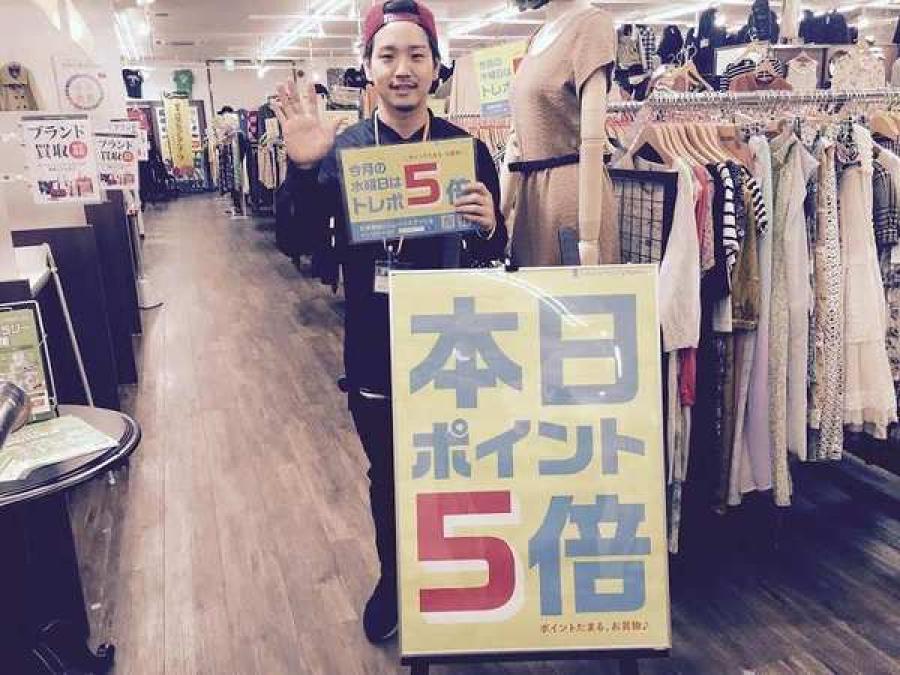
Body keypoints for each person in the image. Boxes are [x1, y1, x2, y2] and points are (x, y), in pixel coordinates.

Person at [274, 0, 508, 644]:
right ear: (369, 67)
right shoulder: (343, 148)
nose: (403, 68)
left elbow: (492, 254)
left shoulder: (467, 149)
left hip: (458, 343)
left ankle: (460, 573)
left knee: (459, 467)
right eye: (388, 55)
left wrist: (491, 226)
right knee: (389, 473)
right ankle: (395, 578)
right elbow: (298, 242)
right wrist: (302, 170)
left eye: (416, 55)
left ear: (436, 66)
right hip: (375, 345)